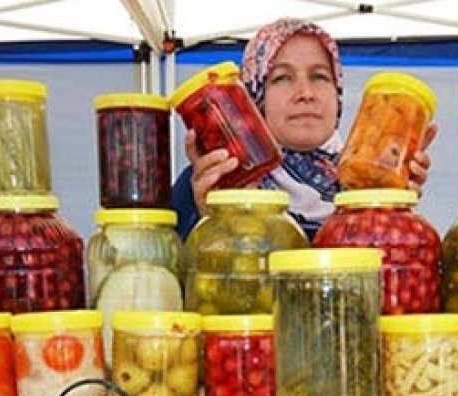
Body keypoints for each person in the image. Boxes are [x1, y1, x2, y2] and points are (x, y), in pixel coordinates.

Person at [172, 17, 437, 240]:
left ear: (338, 94)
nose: (305, 93)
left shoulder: (365, 177)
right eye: (282, 78)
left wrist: (393, 209)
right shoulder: (211, 180)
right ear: (253, 96)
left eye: (319, 76)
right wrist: (209, 219)